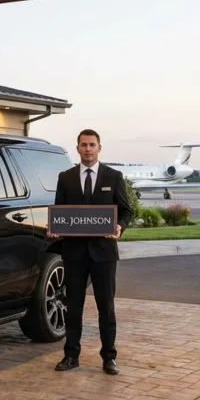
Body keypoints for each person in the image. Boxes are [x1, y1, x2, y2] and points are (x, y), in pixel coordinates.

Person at [51, 129, 132, 375]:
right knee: (72, 307)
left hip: (104, 253)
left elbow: (126, 211)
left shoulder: (114, 176)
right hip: (74, 253)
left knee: (105, 307)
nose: (88, 149)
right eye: (84, 145)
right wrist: (56, 229)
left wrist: (120, 226)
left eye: (92, 145)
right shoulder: (65, 177)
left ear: (99, 147)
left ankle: (109, 357)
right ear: (77, 148)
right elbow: (60, 211)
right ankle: (71, 355)